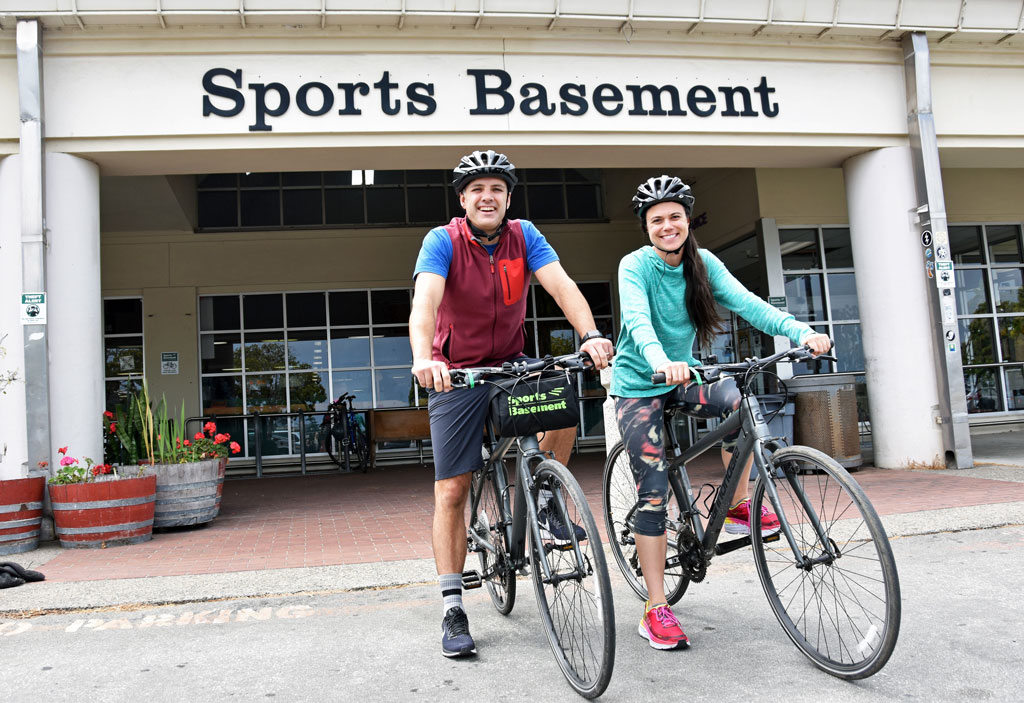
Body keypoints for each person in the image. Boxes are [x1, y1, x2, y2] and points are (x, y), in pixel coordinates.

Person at [409, 150, 615, 659]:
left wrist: (589, 335)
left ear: (507, 198)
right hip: (455, 374)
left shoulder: (525, 235)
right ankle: (453, 605)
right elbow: (426, 302)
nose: (487, 197)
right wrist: (423, 359)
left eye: (496, 189)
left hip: (510, 362)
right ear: (463, 199)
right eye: (477, 189)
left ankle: (543, 494)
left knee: (562, 393)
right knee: (453, 489)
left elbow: (561, 286)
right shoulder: (442, 241)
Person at [612, 175, 831, 651]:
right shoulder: (636, 266)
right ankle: (655, 607)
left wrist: (800, 331)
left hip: (684, 374)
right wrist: (656, 359)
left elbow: (750, 305)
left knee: (738, 398)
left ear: (687, 221)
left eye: (674, 217)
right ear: (646, 228)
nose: (667, 226)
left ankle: (734, 503)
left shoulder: (703, 263)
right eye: (657, 221)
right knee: (652, 490)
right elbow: (638, 320)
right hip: (639, 384)